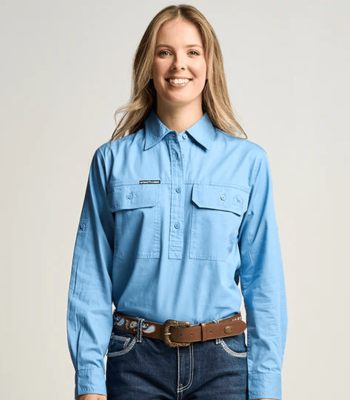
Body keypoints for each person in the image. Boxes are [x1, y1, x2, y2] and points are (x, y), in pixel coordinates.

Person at [67, 4, 288, 400]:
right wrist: (88, 380)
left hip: (223, 365)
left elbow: (265, 282)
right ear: (148, 65)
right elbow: (91, 275)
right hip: (134, 362)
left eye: (192, 52)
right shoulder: (112, 161)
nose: (178, 65)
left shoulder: (248, 162)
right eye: (165, 52)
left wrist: (266, 386)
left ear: (209, 64)